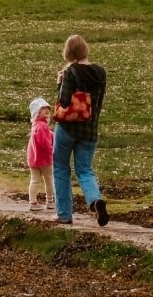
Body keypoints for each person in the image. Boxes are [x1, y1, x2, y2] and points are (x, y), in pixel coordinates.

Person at [52, 34, 108, 227]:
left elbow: (65, 101)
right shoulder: (100, 73)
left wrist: (59, 83)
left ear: (69, 52)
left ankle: (64, 214)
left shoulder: (71, 72)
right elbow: (98, 104)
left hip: (68, 129)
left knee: (60, 167)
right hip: (90, 130)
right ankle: (95, 200)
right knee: (85, 170)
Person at [26, 97, 55, 212]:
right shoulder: (42, 126)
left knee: (34, 179)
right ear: (37, 112)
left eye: (47, 108)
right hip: (44, 158)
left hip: (33, 158)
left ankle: (33, 201)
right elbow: (44, 142)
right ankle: (50, 201)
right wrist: (52, 150)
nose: (47, 110)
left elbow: (47, 135)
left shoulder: (36, 125)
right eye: (43, 108)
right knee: (48, 179)